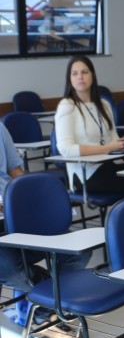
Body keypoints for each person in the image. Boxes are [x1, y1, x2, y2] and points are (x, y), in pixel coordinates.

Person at [0, 122, 90, 324]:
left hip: (14, 210)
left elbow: (15, 170)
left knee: (79, 251)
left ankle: (44, 307)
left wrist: (31, 197)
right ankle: (48, 305)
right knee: (8, 268)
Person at [55, 55, 124, 195]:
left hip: (109, 165)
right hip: (86, 173)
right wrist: (107, 148)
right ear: (70, 79)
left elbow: (114, 140)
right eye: (75, 73)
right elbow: (65, 149)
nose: (80, 77)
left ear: (93, 75)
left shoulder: (104, 104)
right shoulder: (67, 106)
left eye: (85, 72)